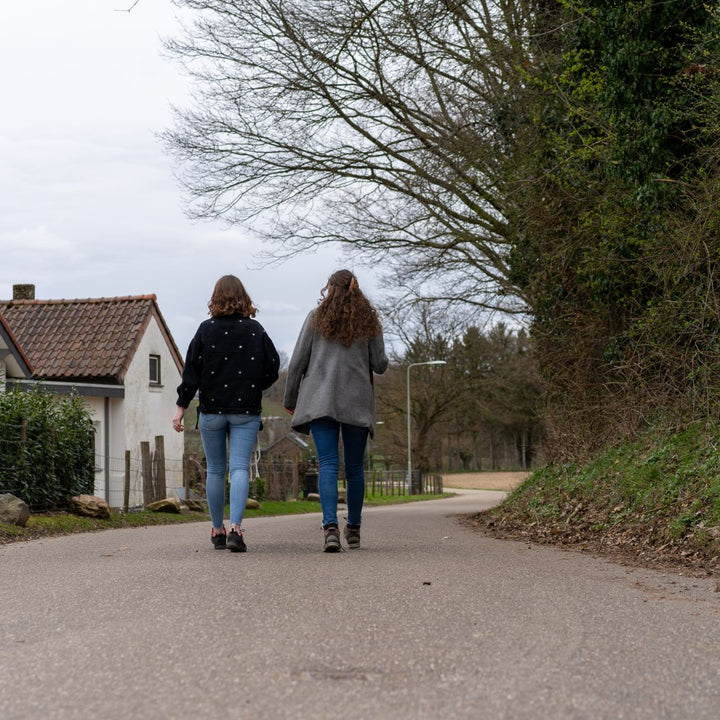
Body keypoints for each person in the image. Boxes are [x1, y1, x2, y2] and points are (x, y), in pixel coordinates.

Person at [173, 275, 280, 552]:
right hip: (246, 409)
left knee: (216, 470)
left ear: (215, 298)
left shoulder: (205, 331)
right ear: (244, 298)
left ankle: (217, 530)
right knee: (240, 468)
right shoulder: (256, 330)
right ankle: (236, 529)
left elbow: (191, 373)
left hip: (212, 410)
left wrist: (181, 407)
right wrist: (255, 387)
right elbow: (272, 366)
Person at [284, 269, 388, 552]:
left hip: (320, 402)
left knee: (328, 465)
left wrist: (291, 399)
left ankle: (330, 528)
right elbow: (380, 364)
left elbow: (297, 363)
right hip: (356, 403)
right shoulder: (369, 323)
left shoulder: (315, 318)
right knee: (355, 469)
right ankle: (353, 528)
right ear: (357, 289)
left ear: (329, 288)